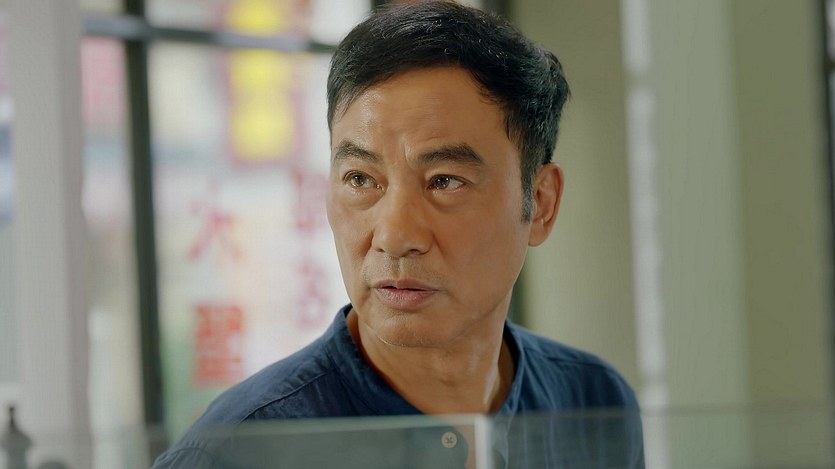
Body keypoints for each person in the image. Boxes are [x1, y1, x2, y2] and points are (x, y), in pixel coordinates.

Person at [153, 1, 643, 468]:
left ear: (541, 203)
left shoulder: (592, 403)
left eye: (444, 181)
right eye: (360, 179)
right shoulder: (241, 452)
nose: (393, 235)